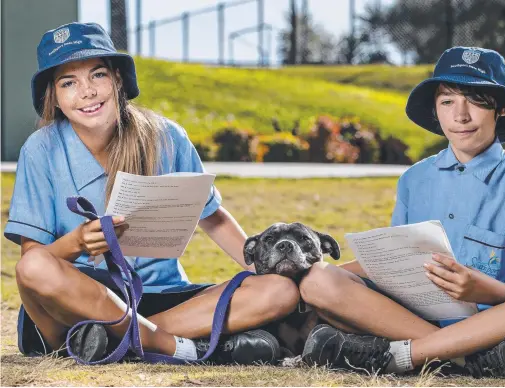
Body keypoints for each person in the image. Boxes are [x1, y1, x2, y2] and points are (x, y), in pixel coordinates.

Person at [5, 22, 300, 364]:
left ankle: (121, 342)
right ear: (53, 97)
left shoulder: (167, 137)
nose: (86, 92)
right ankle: (175, 345)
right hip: (78, 302)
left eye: (97, 75)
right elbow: (34, 263)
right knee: (33, 267)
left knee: (279, 290)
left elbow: (214, 219)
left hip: (163, 297)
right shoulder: (40, 151)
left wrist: (259, 269)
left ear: (117, 79)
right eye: (68, 83)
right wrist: (78, 243)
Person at [297, 47, 505, 379]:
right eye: (447, 102)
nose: (460, 116)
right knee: (319, 280)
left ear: (502, 109)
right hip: (414, 320)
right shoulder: (413, 180)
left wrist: (484, 290)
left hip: (501, 327)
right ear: (436, 110)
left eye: (475, 101)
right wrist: (320, 275)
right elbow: (392, 266)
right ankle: (466, 360)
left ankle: (402, 357)